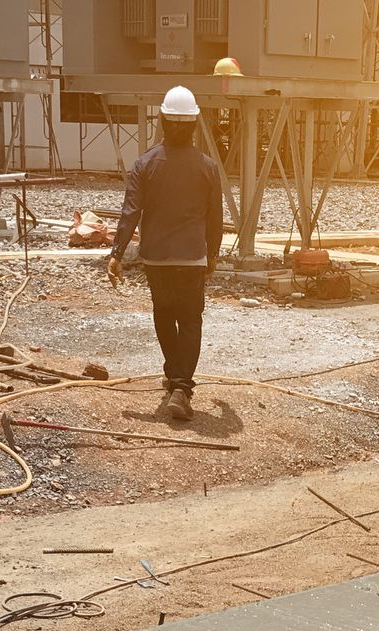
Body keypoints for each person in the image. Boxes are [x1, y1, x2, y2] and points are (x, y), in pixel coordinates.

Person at [106, 85, 225, 423]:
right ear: (194, 123)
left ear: (161, 119)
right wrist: (212, 254)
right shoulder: (207, 167)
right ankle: (181, 388)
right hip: (191, 259)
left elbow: (131, 211)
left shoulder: (144, 164)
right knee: (189, 321)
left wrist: (117, 253)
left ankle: (175, 377)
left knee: (164, 314)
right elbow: (214, 217)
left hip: (155, 258)